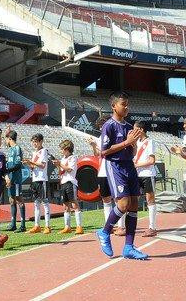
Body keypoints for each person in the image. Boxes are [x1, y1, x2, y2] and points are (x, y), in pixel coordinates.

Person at [95, 92, 148, 260]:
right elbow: (104, 152)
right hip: (115, 166)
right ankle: (104, 232)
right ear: (114, 106)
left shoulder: (128, 127)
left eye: (127, 104)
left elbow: (132, 152)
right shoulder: (109, 126)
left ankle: (129, 247)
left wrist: (133, 142)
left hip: (129, 166)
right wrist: (126, 142)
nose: (126, 107)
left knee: (133, 204)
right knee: (123, 204)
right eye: (123, 104)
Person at [132, 121, 157, 237]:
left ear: (141, 130)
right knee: (133, 200)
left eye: (135, 129)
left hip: (147, 174)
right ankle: (131, 225)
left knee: (150, 200)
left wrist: (137, 165)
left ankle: (152, 227)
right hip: (137, 175)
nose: (133, 131)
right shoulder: (136, 142)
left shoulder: (150, 142)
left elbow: (152, 161)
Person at [24, 133, 51, 234]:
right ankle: (37, 225)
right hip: (35, 179)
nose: (34, 143)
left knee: (45, 202)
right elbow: (33, 167)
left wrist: (31, 162)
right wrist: (28, 164)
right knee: (36, 203)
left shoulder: (43, 151)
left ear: (41, 141)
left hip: (42, 179)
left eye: (36, 141)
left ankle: (47, 226)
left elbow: (43, 165)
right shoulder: (34, 153)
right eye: (33, 141)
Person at [54, 139, 83, 234]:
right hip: (63, 182)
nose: (61, 151)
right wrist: (58, 166)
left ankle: (79, 226)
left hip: (71, 182)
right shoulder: (63, 159)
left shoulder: (73, 158)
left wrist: (60, 164)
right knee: (65, 205)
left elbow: (70, 169)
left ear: (67, 149)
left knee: (74, 203)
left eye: (62, 149)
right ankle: (67, 227)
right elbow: (60, 172)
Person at [4, 128, 26, 232]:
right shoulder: (9, 150)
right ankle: (13, 224)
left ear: (9, 138)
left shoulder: (17, 148)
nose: (5, 141)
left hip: (16, 179)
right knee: (11, 200)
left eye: (6, 139)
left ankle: (22, 225)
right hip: (10, 179)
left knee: (19, 200)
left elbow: (18, 165)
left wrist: (6, 169)